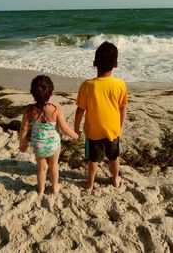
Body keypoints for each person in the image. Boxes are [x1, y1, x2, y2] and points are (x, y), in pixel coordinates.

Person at [74, 41, 127, 192]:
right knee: (114, 157)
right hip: (113, 130)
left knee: (93, 160)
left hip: (93, 132)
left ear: (94, 63)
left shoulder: (87, 85)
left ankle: (89, 184)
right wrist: (120, 127)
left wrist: (76, 129)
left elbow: (79, 111)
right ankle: (115, 179)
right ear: (116, 64)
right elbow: (123, 108)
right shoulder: (120, 84)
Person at [19, 75, 79, 197]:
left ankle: (40, 190)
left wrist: (22, 142)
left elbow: (24, 128)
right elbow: (65, 128)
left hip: (38, 145)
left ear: (32, 93)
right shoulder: (56, 109)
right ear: (51, 93)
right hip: (54, 145)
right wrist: (76, 136)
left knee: (41, 168)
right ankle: (55, 187)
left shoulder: (29, 110)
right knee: (54, 165)